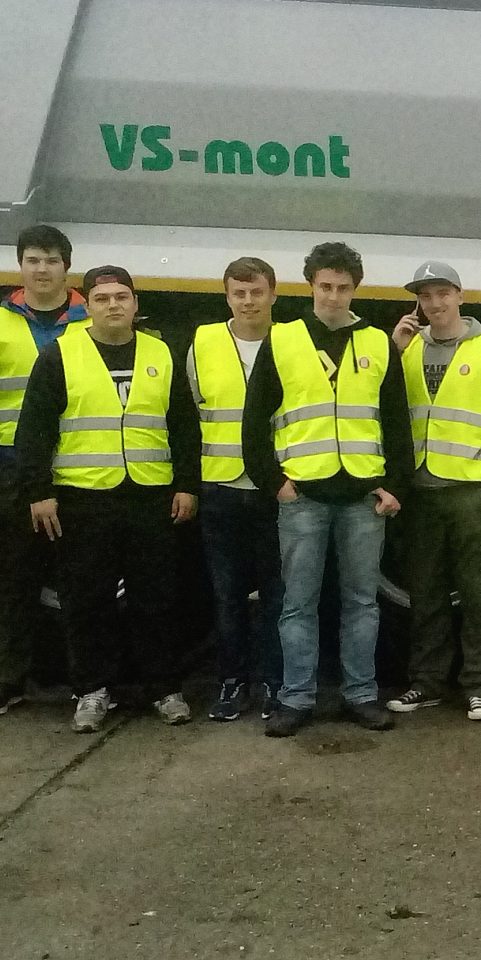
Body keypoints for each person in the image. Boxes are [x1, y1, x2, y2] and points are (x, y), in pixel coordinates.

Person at [15, 266, 201, 733]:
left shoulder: (161, 353)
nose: (113, 305)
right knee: (86, 601)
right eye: (102, 298)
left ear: (136, 304)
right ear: (88, 306)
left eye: (122, 297)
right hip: (83, 498)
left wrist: (187, 484)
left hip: (151, 496)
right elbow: (34, 428)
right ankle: (92, 691)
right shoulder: (60, 354)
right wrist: (39, 492)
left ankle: (164, 689)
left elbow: (183, 424)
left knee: (156, 599)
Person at [243, 242, 413, 737]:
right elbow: (254, 421)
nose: (333, 296)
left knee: (363, 603)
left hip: (364, 496)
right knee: (298, 604)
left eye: (343, 287)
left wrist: (395, 486)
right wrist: (275, 483)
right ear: (310, 286)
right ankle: (296, 699)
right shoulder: (282, 339)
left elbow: (396, 422)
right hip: (303, 496)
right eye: (325, 286)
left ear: (355, 289)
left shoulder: (378, 342)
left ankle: (361, 696)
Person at [386, 261, 481, 722]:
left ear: (460, 296)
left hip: (471, 492)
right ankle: (426, 682)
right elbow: (383, 411)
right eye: (425, 296)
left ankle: (479, 685)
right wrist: (393, 351)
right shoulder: (406, 348)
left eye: (442, 293)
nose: (434, 303)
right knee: (425, 594)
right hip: (420, 492)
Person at [0, 224, 87, 718]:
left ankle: (88, 679)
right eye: (33, 260)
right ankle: (5, 679)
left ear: (67, 267)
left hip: (76, 469)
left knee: (82, 581)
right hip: (10, 471)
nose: (42, 269)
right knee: (9, 579)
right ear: (20, 266)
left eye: (52, 260)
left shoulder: (91, 321)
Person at [188, 257, 286, 722]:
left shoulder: (291, 343)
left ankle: (273, 682)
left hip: (276, 489)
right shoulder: (204, 342)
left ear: (273, 295)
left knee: (278, 596)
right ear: (226, 297)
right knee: (226, 594)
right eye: (239, 293)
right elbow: (190, 413)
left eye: (257, 292)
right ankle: (232, 683)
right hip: (221, 487)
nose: (248, 301)